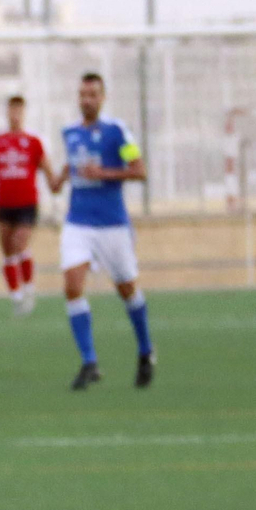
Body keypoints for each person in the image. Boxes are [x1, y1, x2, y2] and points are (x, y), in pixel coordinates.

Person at [55, 73, 154, 391]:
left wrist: (104, 173)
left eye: (93, 94)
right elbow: (72, 166)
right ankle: (90, 362)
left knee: (127, 290)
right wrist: (58, 179)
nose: (87, 100)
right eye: (83, 94)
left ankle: (145, 351)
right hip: (78, 222)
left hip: (112, 224)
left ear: (103, 97)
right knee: (72, 286)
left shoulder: (117, 132)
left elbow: (139, 171)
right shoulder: (70, 133)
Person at [0, 95, 60, 316]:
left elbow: (48, 172)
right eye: (11, 110)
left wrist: (57, 201)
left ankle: (29, 288)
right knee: (7, 250)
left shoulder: (33, 142)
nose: (15, 115)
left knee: (20, 242)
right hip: (4, 204)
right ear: (7, 113)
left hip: (27, 203)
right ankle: (16, 296)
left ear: (23, 113)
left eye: (18, 111)